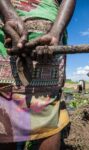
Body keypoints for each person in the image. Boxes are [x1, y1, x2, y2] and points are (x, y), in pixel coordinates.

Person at [0, 0, 76, 150]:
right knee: (43, 110)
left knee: (7, 107)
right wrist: (55, 31)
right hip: (35, 26)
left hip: (17, 26)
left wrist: (9, 15)